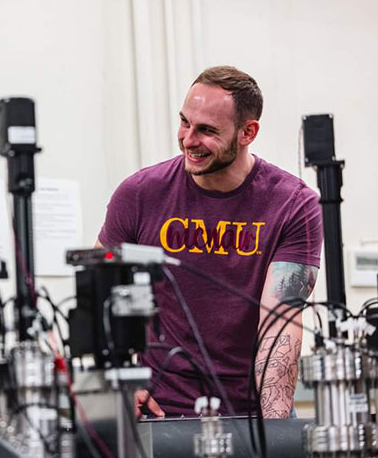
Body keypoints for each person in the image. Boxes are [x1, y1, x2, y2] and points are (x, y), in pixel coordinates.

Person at [97, 65, 323, 419]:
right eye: (185, 122)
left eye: (206, 130)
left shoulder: (293, 204)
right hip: (158, 413)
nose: (188, 139)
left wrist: (276, 434)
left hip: (252, 414)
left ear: (248, 132)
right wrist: (120, 382)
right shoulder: (140, 194)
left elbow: (279, 322)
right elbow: (98, 293)